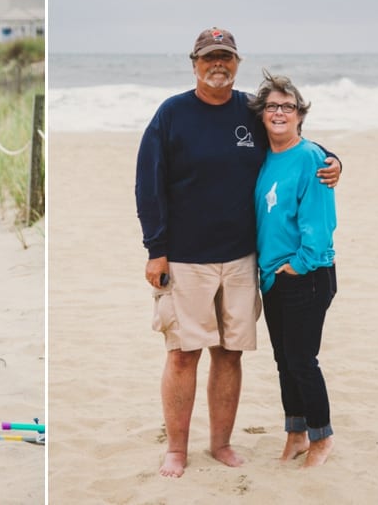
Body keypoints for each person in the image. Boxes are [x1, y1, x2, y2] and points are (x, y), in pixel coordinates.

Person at [134, 27, 341, 478]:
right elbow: (148, 185)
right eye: (209, 57)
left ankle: (222, 444)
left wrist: (334, 158)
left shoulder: (251, 110)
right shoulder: (171, 114)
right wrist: (157, 249)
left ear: (237, 63)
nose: (218, 65)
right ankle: (176, 449)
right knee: (183, 353)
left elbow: (295, 141)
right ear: (194, 63)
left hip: (243, 258)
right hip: (185, 258)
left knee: (230, 353)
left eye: (225, 57)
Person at [249, 71, 337, 467]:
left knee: (302, 360)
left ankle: (321, 439)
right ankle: (296, 433)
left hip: (307, 275)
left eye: (288, 106)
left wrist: (296, 267)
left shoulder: (311, 157)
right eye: (272, 106)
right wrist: (275, 274)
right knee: (284, 360)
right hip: (272, 277)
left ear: (300, 114)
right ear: (262, 115)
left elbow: (319, 226)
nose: (279, 112)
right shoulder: (265, 158)